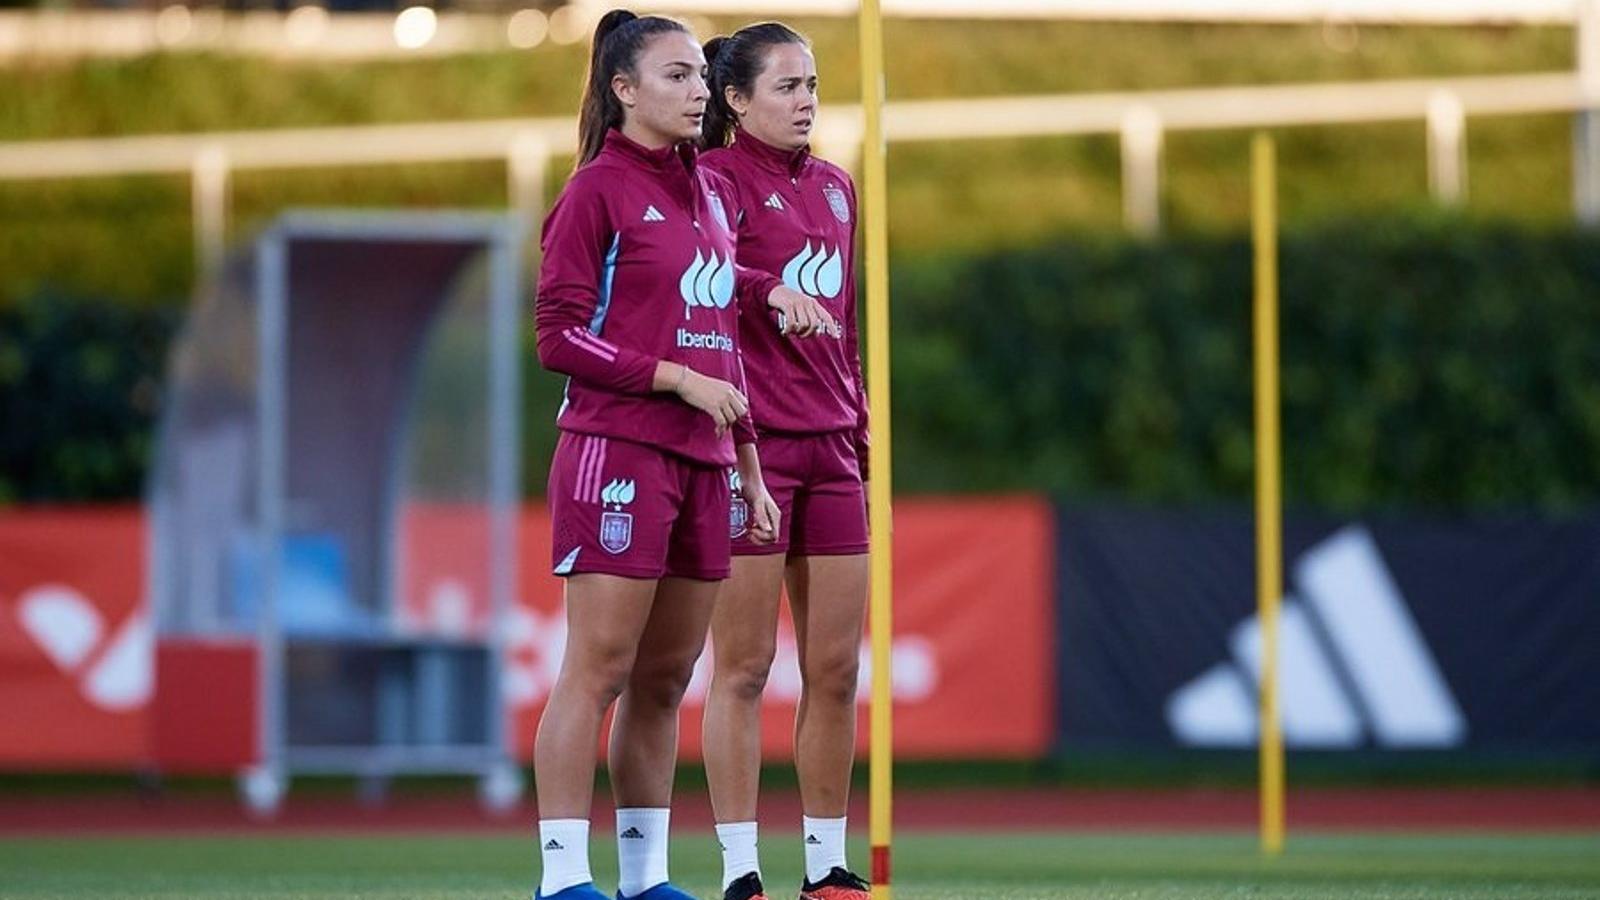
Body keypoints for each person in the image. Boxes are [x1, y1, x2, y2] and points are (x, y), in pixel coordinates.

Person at [531, 11, 836, 900]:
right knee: (599, 671)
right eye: (675, 77)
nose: (697, 91)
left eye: (698, 78)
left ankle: (644, 878)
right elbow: (557, 333)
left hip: (705, 465)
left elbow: (720, 337)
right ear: (623, 90)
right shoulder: (596, 191)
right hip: (616, 451)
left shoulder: (705, 191)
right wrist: (669, 379)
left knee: (664, 681)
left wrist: (745, 461)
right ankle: (560, 879)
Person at [697, 22, 872, 900]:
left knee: (835, 670)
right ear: (735, 101)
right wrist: (771, 291)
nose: (807, 100)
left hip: (834, 446)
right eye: (787, 87)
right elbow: (699, 280)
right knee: (744, 669)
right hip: (751, 447)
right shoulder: (712, 182)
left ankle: (828, 865)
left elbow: (847, 329)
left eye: (812, 84)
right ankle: (740, 869)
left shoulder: (839, 187)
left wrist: (862, 429)